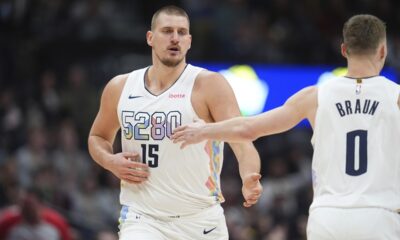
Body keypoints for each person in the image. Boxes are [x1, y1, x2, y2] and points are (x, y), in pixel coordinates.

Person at [172, 14, 400, 239]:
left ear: (343, 50)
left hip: (328, 217)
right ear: (383, 51)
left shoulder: (315, 96)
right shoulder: (396, 97)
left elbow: (249, 129)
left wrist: (203, 131)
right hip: (380, 216)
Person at [88, 5, 262, 240]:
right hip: (143, 218)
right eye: (167, 31)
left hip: (200, 220)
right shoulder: (120, 87)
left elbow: (242, 140)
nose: (175, 38)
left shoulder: (209, 85)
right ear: (150, 37)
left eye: (181, 32)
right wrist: (110, 161)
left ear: (189, 41)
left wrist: (250, 175)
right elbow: (97, 137)